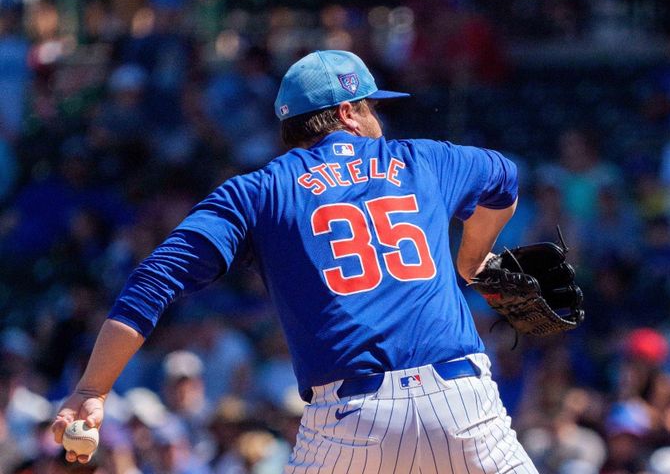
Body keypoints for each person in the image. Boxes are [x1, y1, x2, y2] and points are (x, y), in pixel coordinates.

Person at [50, 50, 539, 473]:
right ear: (348, 111)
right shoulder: (425, 159)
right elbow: (504, 180)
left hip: (350, 423)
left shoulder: (258, 191)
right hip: (463, 406)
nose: (378, 120)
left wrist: (94, 387)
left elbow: (154, 278)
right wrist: (471, 263)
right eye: (372, 107)